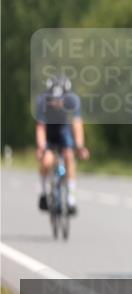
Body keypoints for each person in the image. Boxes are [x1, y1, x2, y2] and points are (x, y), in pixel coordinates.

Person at [36, 75, 90, 214]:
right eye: (54, 99)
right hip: (49, 131)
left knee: (69, 156)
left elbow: (77, 124)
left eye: (60, 99)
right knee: (47, 161)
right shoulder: (42, 100)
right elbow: (41, 127)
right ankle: (43, 193)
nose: (57, 103)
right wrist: (41, 147)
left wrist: (80, 146)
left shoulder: (73, 100)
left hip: (63, 129)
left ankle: (71, 201)